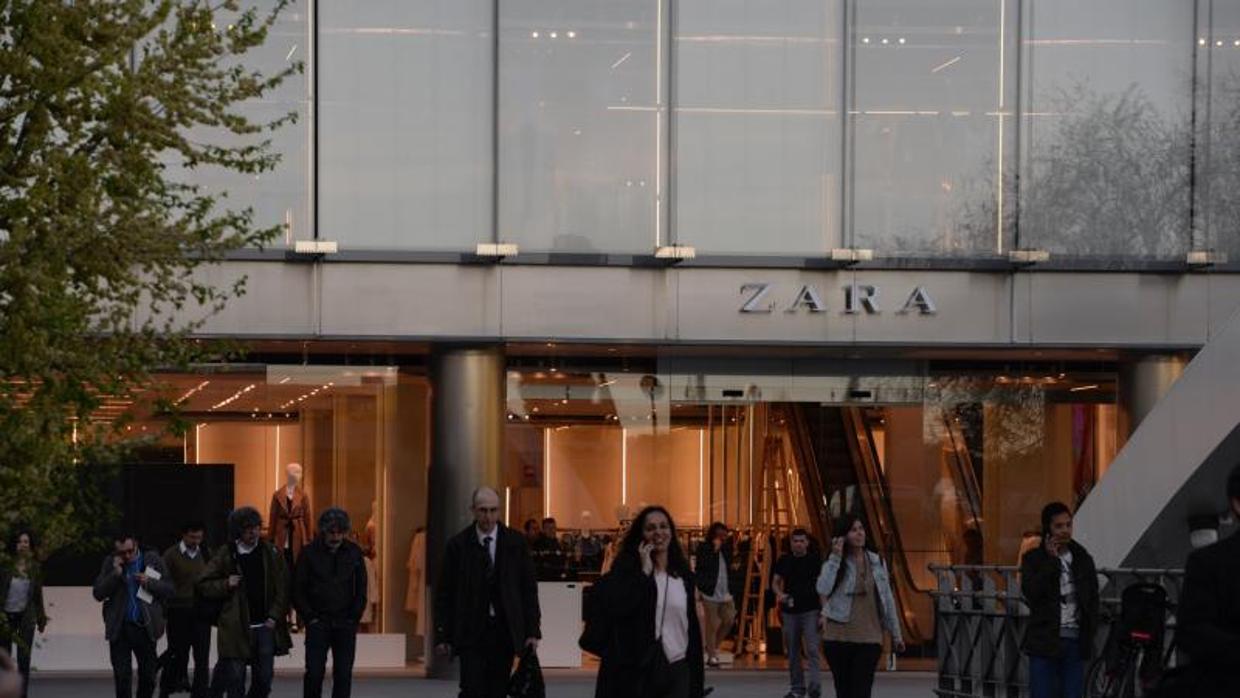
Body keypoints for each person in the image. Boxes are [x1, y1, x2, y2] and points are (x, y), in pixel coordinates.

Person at [434, 487, 541, 698]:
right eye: (483, 510)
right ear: (473, 510)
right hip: (471, 630)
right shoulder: (458, 546)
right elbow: (446, 592)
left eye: (493, 510)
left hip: (504, 629)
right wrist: (443, 634)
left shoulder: (515, 543)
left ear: (500, 511)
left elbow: (528, 590)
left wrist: (532, 631)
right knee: (472, 688)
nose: (489, 517)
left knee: (498, 688)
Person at [590, 505, 706, 698]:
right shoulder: (627, 573)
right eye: (650, 528)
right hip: (639, 669)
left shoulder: (683, 576)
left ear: (671, 532)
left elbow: (690, 624)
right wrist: (644, 573)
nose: (658, 532)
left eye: (663, 526)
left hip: (678, 665)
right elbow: (618, 609)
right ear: (641, 535)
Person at [198, 507, 291, 698]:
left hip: (264, 626)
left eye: (256, 527)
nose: (253, 532)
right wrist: (225, 583)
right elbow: (202, 584)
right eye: (248, 528)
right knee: (235, 681)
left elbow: (283, 587)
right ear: (238, 530)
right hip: (235, 626)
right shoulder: (226, 553)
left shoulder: (270, 551)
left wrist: (274, 617)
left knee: (264, 680)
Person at [815, 515, 904, 698]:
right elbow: (822, 588)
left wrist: (896, 635)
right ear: (843, 536)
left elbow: (887, 599)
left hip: (870, 638)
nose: (859, 533)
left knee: (862, 691)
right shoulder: (836, 561)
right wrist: (835, 558)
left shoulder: (877, 561)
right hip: (838, 637)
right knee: (844, 692)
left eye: (861, 529)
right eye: (853, 530)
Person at [1019, 502, 1099, 698]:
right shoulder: (1033, 559)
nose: (1065, 530)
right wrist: (1051, 562)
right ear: (1048, 528)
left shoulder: (1082, 558)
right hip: (1044, 641)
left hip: (1074, 641)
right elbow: (1031, 592)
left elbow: (1092, 597)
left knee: (1072, 693)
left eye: (1068, 525)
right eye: (1058, 526)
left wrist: (1090, 629)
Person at [1175, 462, 1240, 696]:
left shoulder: (1206, 562)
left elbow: (1190, 631)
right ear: (1237, 504)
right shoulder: (1209, 563)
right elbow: (1192, 632)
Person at [294, 508, 367, 698]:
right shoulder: (309, 553)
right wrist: (309, 617)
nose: (335, 536)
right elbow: (298, 587)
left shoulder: (354, 552)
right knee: (314, 673)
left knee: (343, 674)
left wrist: (353, 617)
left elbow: (361, 588)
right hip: (318, 621)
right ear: (323, 531)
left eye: (340, 532)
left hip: (345, 622)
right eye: (331, 532)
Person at [92, 532, 173, 698]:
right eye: (122, 553)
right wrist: (115, 574)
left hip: (145, 626)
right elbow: (98, 593)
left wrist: (150, 583)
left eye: (130, 551)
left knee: (148, 676)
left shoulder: (151, 559)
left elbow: (169, 589)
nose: (127, 556)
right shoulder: (110, 562)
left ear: (136, 544)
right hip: (120, 628)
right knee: (122, 677)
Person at [160, 522, 212, 698]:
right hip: (178, 611)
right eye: (192, 537)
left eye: (199, 537)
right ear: (184, 535)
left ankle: (200, 693)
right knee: (177, 653)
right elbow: (160, 580)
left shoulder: (205, 553)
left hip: (201, 611)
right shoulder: (171, 555)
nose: (196, 541)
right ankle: (166, 688)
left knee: (202, 656)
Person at [773, 528, 823, 698]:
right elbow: (775, 582)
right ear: (791, 543)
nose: (799, 544)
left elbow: (822, 586)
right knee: (793, 651)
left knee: (812, 649)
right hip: (790, 610)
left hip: (811, 609)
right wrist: (780, 594)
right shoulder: (784, 560)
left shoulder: (815, 560)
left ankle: (815, 686)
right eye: (795, 541)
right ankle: (797, 688)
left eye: (802, 541)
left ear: (807, 543)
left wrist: (823, 611)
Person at [1, 530, 46, 698]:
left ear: (30, 545)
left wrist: (41, 618)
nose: (23, 545)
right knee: (5, 658)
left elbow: (37, 595)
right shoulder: (6, 566)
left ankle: (22, 694)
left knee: (24, 659)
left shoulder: (34, 568)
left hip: (25, 617)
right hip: (6, 617)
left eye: (26, 542)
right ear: (15, 545)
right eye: (20, 541)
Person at [693, 522, 736, 668]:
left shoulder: (727, 548)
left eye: (724, 535)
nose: (722, 538)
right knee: (712, 623)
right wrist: (714, 550)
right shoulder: (704, 548)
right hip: (709, 592)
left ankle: (713, 646)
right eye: (719, 535)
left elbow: (731, 564)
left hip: (726, 592)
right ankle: (712, 655)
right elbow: (702, 566)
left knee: (729, 619)